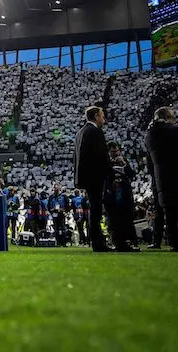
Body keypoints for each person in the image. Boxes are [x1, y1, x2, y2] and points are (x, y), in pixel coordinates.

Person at [145, 107, 178, 252]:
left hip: (162, 179)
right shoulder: (174, 131)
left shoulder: (149, 135)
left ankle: (175, 244)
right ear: (168, 117)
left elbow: (149, 162)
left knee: (170, 215)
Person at [74, 106, 114, 252]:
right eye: (102, 115)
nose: (104, 118)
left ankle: (96, 242)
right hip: (96, 177)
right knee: (96, 210)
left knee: (94, 209)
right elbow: (101, 155)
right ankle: (98, 243)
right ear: (96, 116)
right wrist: (111, 171)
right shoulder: (95, 131)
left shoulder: (80, 132)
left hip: (86, 177)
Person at [104, 142, 140, 252]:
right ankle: (117, 242)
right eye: (113, 152)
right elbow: (104, 177)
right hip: (112, 195)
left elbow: (132, 175)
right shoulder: (106, 163)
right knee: (115, 220)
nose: (115, 153)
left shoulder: (123, 161)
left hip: (125, 194)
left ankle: (130, 241)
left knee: (127, 219)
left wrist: (124, 164)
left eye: (117, 151)